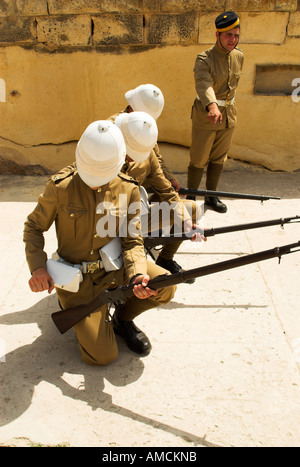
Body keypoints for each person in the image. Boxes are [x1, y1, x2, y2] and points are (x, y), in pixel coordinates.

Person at [23, 120, 176, 365]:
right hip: (79, 282)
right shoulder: (60, 187)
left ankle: (122, 320)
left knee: (165, 284)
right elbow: (33, 227)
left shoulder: (129, 189)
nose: (94, 181)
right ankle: (84, 313)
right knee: (103, 357)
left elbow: (132, 241)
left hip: (116, 269)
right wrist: (38, 267)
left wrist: (137, 275)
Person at [114, 111, 205, 280]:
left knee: (191, 210)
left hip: (133, 219)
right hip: (104, 221)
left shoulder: (148, 155)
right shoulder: (104, 152)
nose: (134, 157)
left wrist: (185, 222)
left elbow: (167, 191)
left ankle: (164, 258)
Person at [188, 11, 244, 213]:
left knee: (219, 157)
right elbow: (204, 83)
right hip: (207, 116)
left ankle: (211, 196)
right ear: (217, 35)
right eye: (228, 35)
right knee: (199, 158)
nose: (233, 40)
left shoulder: (239, 56)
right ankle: (191, 197)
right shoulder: (205, 59)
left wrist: (222, 108)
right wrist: (212, 106)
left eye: (236, 35)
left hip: (229, 115)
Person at [114, 83, 181, 192]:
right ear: (131, 109)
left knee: (165, 187)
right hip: (116, 181)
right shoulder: (113, 127)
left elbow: (156, 157)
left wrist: (169, 179)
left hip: (137, 180)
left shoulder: (145, 126)